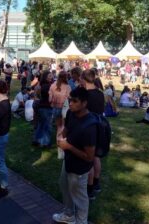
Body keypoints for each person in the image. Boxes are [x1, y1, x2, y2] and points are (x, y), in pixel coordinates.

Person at [53, 87, 97, 224]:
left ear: (84, 103)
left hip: (80, 168)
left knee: (80, 197)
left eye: (75, 101)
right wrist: (61, 134)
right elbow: (67, 128)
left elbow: (89, 157)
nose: (70, 103)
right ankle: (68, 215)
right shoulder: (72, 113)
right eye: (70, 100)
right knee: (64, 186)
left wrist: (69, 147)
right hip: (68, 161)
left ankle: (81, 221)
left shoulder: (90, 126)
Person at [81, 69, 105, 200]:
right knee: (96, 157)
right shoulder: (100, 93)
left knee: (88, 159)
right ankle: (96, 183)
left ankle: (89, 190)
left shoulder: (86, 95)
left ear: (84, 79)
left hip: (88, 128)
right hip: (99, 126)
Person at [33, 70, 54, 148]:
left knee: (41, 125)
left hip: (42, 107)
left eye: (51, 75)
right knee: (47, 126)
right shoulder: (47, 86)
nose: (51, 77)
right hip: (46, 107)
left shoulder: (45, 85)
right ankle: (46, 142)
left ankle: (36, 140)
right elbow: (49, 97)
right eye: (49, 76)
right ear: (45, 77)